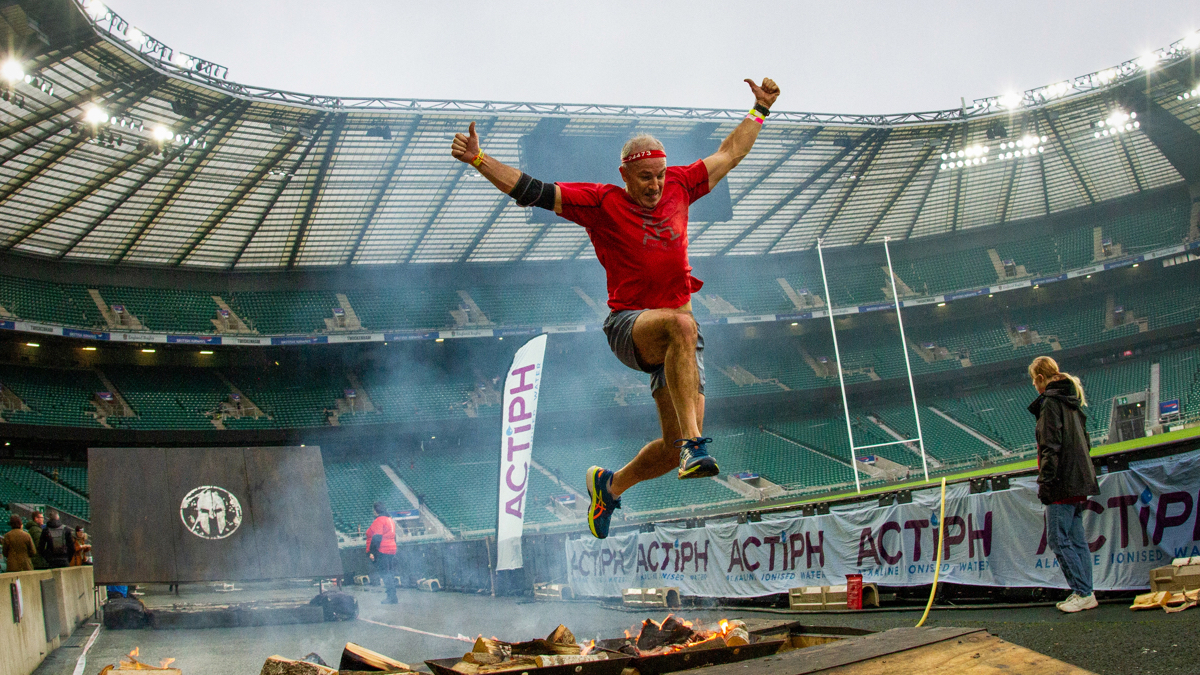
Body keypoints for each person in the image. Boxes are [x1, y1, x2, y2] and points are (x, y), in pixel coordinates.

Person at [451, 78, 781, 539]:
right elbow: (532, 190)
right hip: (630, 326)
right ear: (625, 175)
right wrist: (480, 160)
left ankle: (610, 485)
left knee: (669, 447)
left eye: (660, 175)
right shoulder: (602, 202)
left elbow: (731, 152)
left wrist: (759, 110)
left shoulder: (681, 185)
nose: (655, 185)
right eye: (646, 177)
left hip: (682, 336)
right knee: (682, 330)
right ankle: (694, 446)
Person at [1028, 356, 1100, 613]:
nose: (1034, 387)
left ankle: (1082, 592)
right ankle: (1086, 591)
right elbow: (1085, 441)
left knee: (1059, 540)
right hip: (1079, 480)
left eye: (1033, 381)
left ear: (1039, 379)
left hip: (1062, 482)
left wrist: (1046, 483)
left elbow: (1050, 447)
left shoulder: (1050, 402)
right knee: (1076, 538)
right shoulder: (1072, 400)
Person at [364, 502, 399, 604]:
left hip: (383, 549)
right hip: (391, 548)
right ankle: (393, 596)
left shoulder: (379, 520)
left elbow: (377, 537)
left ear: (376, 510)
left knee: (385, 573)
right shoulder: (390, 519)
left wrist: (372, 552)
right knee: (389, 573)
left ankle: (391, 597)